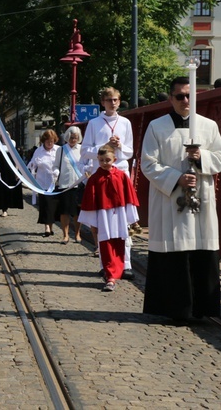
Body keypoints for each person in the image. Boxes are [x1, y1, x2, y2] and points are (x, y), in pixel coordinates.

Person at [141, 76, 221, 322]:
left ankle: (203, 309)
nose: (185, 101)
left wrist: (201, 157)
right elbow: (148, 164)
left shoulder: (208, 126)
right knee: (175, 253)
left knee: (201, 250)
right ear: (171, 99)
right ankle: (175, 309)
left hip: (201, 200)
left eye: (190, 96)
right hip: (170, 201)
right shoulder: (157, 127)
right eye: (180, 96)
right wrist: (176, 178)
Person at [81, 87, 137, 279]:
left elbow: (130, 152)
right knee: (103, 221)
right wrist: (105, 148)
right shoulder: (94, 123)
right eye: (108, 100)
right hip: (102, 178)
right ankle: (105, 264)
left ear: (119, 102)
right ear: (102, 102)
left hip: (120, 175)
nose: (112, 103)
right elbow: (85, 151)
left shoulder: (126, 123)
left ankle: (126, 264)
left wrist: (120, 146)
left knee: (123, 221)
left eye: (115, 100)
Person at [78, 144, 140, 292]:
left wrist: (132, 217)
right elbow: (91, 199)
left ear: (114, 159)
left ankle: (118, 269)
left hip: (119, 214)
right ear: (98, 160)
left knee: (120, 242)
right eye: (101, 160)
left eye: (107, 160)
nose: (105, 163)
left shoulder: (121, 176)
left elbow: (129, 196)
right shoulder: (95, 178)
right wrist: (92, 220)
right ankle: (110, 276)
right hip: (103, 215)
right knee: (105, 244)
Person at [54, 126, 84, 244]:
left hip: (78, 184)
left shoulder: (82, 149)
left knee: (77, 212)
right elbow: (56, 165)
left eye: (75, 138)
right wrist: (56, 172)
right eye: (71, 138)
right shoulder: (60, 150)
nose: (73, 140)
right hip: (65, 184)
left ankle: (77, 234)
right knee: (64, 211)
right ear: (67, 137)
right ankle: (65, 235)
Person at [27, 129, 60, 237]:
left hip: (55, 183)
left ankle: (51, 226)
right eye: (48, 141)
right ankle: (46, 227)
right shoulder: (39, 151)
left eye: (52, 141)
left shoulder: (58, 150)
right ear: (43, 141)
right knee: (45, 204)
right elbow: (33, 163)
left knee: (53, 206)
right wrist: (32, 165)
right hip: (42, 183)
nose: (50, 143)